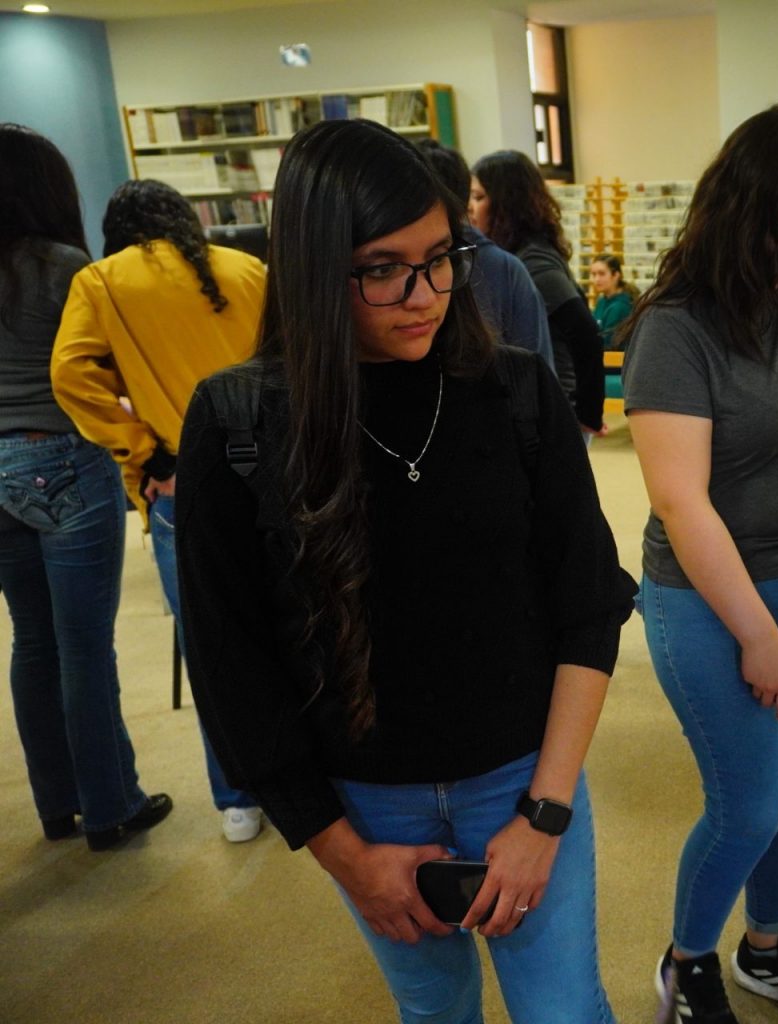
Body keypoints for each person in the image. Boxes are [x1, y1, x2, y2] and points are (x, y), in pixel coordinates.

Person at [174, 119, 636, 1023]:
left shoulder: (515, 392)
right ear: (314, 270)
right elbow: (232, 666)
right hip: (364, 804)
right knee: (435, 1013)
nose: (425, 295)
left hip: (523, 774)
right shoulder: (238, 422)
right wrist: (344, 855)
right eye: (383, 269)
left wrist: (546, 813)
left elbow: (589, 603)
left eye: (441, 259)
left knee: (566, 1010)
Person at [620, 105, 778, 1024]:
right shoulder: (675, 329)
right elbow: (681, 503)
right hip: (716, 607)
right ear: (761, 203)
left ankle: (767, 947)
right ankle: (688, 961)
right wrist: (759, 634)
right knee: (748, 808)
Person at [51, 178, 268, 843]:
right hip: (275, 473)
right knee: (298, 624)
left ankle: (239, 800)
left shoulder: (103, 282)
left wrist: (144, 453)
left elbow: (70, 374)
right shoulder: (249, 270)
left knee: (211, 647)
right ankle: (313, 772)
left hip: (183, 484)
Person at [0, 123, 172, 851]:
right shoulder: (65, 266)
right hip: (65, 458)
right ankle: (110, 806)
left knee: (31, 640)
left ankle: (56, 803)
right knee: (84, 647)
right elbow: (101, 369)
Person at [469, 150, 605, 438]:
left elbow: (585, 331)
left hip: (557, 409)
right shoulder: (520, 254)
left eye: (479, 197)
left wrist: (588, 414)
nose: (471, 208)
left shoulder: (533, 261)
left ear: (506, 203)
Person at [415, 139, 555, 372]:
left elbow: (540, 365)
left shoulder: (517, 265)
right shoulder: (508, 264)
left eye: (479, 198)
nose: (421, 299)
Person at [589, 254, 636, 349]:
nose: (597, 279)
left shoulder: (620, 306)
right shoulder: (602, 301)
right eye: (594, 274)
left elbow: (608, 344)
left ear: (616, 275)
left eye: (602, 274)